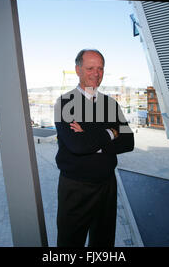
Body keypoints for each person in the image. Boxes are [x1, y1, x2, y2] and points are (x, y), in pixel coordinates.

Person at [54, 49, 134, 247]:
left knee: (104, 242)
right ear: (78, 70)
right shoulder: (65, 104)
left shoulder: (111, 104)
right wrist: (111, 132)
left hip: (107, 185)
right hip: (76, 188)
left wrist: (92, 140)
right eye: (90, 68)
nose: (96, 73)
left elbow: (129, 141)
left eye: (100, 68)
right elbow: (78, 145)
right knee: (70, 243)